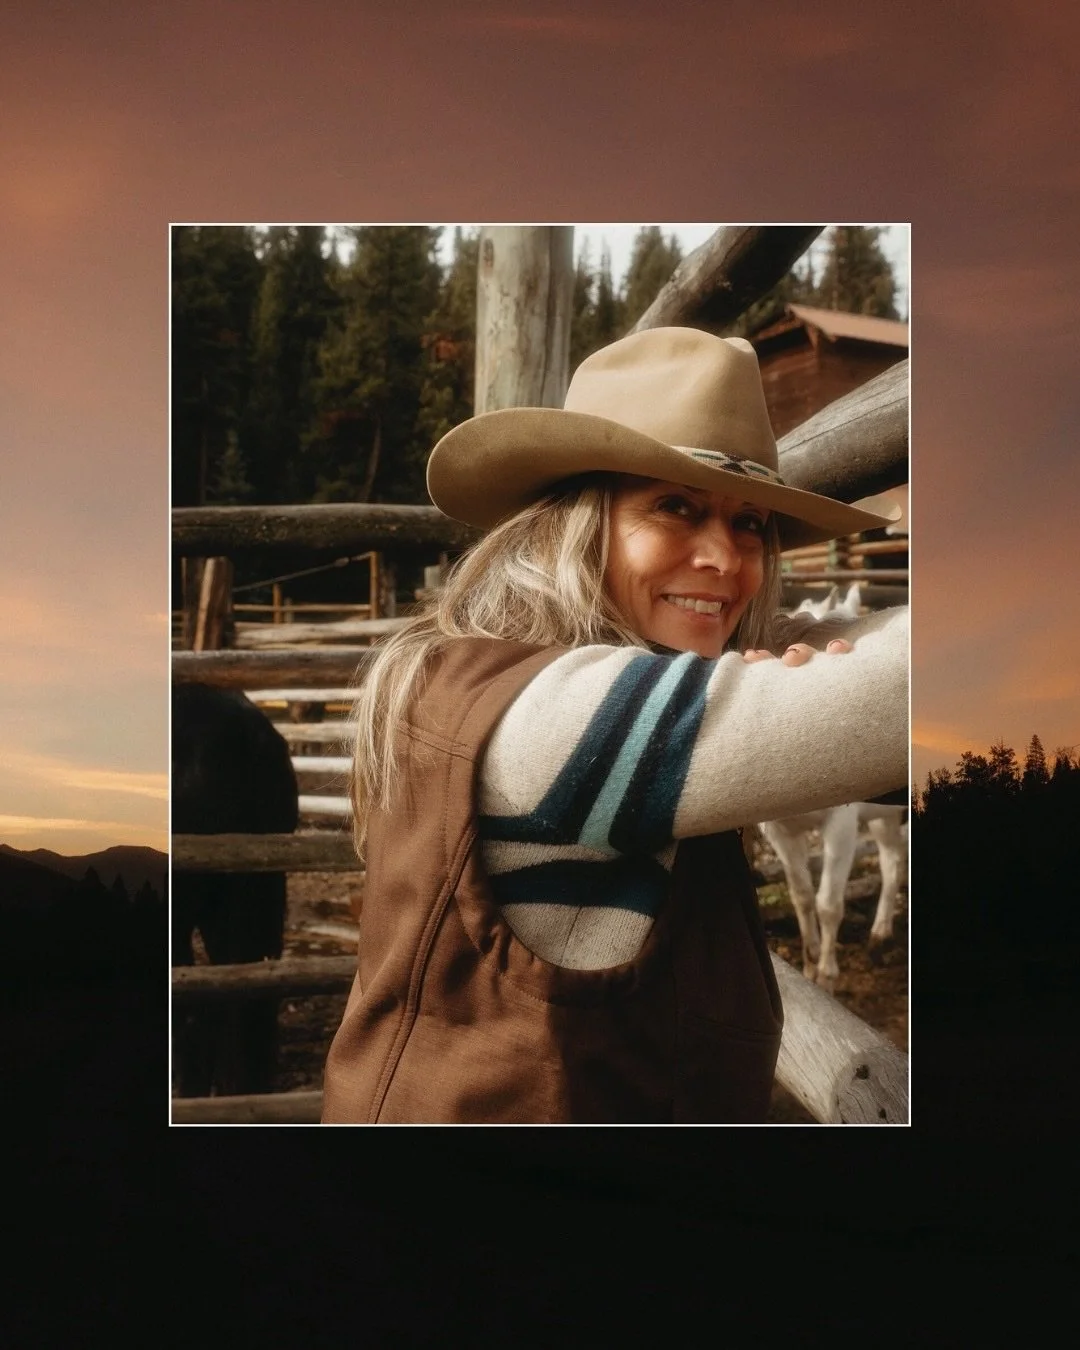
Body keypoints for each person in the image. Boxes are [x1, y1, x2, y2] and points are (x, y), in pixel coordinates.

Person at [321, 325, 908, 1124]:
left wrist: (795, 642)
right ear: (576, 524)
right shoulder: (563, 723)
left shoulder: (494, 674)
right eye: (675, 507)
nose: (726, 558)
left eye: (750, 523)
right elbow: (913, 685)